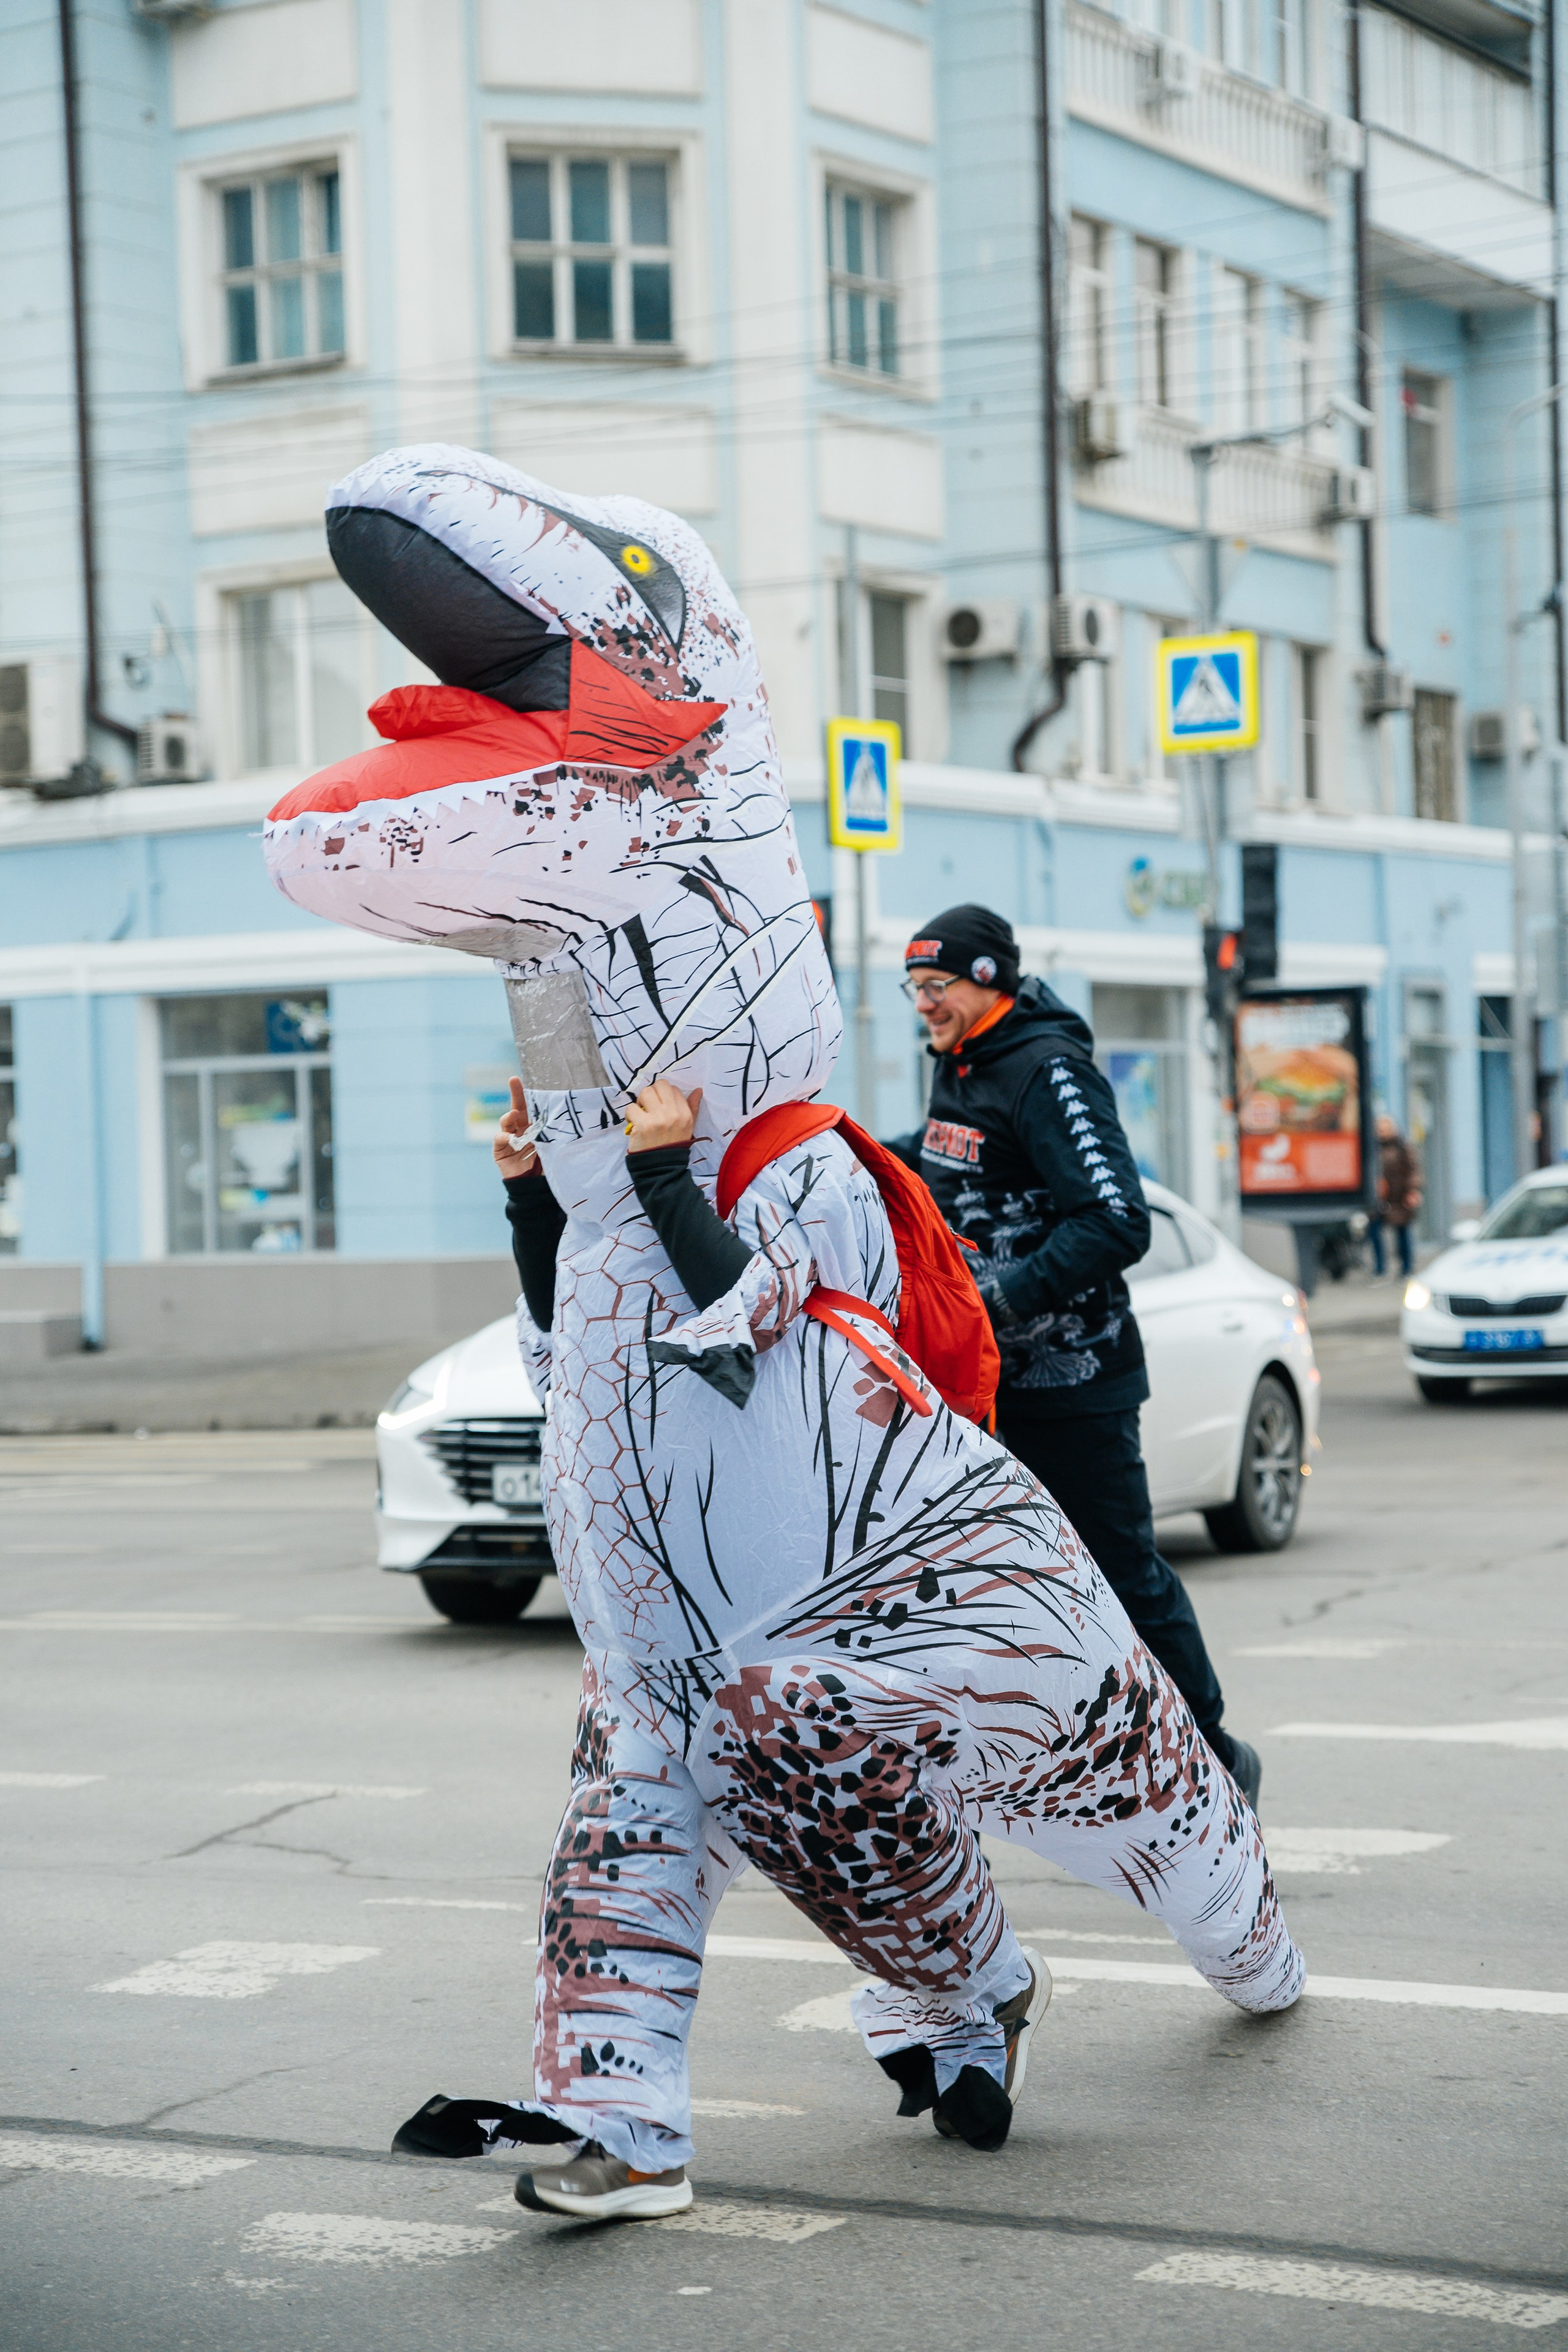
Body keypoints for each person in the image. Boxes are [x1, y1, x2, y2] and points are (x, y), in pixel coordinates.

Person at [263, 443, 1303, 2225]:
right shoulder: (616, 1161)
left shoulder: (798, 1154)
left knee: (840, 1734)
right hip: (668, 1601)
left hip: (899, 1579)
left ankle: (975, 1988)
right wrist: (555, 1187)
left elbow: (744, 1330)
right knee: (632, 1773)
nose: (926, 995)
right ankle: (620, 2120)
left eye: (940, 977)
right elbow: (574, 1330)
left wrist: (663, 1178)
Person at [889, 905, 1261, 1806]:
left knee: (1122, 1572)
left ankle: (1214, 1763)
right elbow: (949, 1167)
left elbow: (1116, 1220)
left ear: (987, 980)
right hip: (988, 1385)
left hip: (1076, 1383)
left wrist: (1002, 1298)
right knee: (993, 1581)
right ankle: (1047, 1767)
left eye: (935, 989)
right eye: (915, 992)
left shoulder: (1046, 1070)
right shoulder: (963, 1066)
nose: (924, 1008)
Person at [1370, 1113, 1422, 1279]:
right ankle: (1380, 1268)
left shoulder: (1402, 1147)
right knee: (1375, 1232)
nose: (1382, 1132)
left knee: (1402, 1233)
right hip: (1378, 1198)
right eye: (1379, 1129)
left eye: (1385, 1128)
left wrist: (1413, 1190)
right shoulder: (1372, 1148)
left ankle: (1406, 1268)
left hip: (1399, 1197)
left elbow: (1413, 1170)